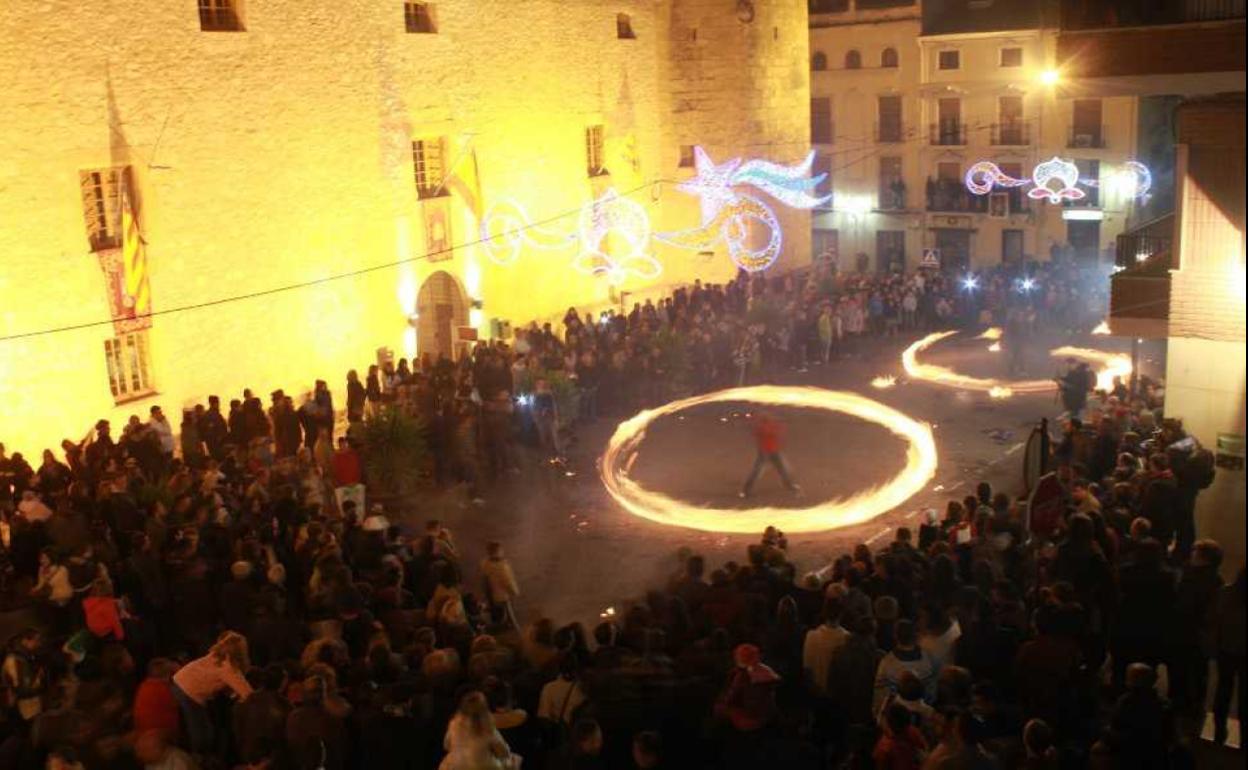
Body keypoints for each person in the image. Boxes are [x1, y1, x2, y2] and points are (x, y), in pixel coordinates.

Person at [170, 630, 254, 754]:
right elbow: (249, 695)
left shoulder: (214, 656)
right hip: (189, 693)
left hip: (177, 683)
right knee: (202, 735)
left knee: (201, 730)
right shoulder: (227, 668)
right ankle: (199, 760)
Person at [440, 690, 515, 770]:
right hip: (484, 767)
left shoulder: (453, 724)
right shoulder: (487, 729)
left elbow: (446, 745)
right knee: (511, 761)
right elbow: (504, 752)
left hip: (457, 767)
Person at [739, 411, 800, 498]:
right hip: (765, 452)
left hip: (774, 451)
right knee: (757, 472)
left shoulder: (771, 426)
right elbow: (765, 432)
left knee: (784, 470)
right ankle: (745, 491)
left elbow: (774, 434)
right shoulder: (765, 427)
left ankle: (791, 486)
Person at [481, 541, 521, 630]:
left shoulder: (486, 563)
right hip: (502, 595)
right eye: (501, 550)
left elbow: (485, 577)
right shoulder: (502, 567)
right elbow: (508, 581)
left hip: (492, 593)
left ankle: (504, 623)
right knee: (509, 611)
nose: (503, 551)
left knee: (497, 610)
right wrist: (514, 591)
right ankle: (515, 628)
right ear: (497, 552)